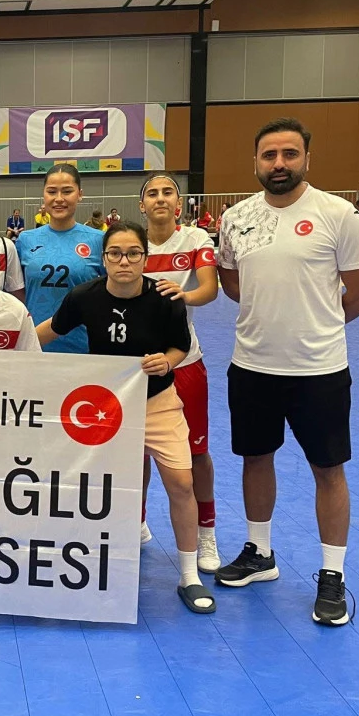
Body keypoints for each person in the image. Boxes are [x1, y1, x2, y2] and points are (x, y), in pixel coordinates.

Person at [215, 117, 359, 627]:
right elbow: (234, 285)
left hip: (320, 371)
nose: (279, 163)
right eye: (269, 155)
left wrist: (320, 325)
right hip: (253, 365)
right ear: (255, 161)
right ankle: (259, 552)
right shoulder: (236, 218)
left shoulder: (338, 214)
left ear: (307, 157)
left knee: (328, 470)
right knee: (254, 459)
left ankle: (332, 574)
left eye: (289, 154)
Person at [36, 223, 214, 615]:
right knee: (95, 488)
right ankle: (92, 563)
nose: (124, 261)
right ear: (103, 259)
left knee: (182, 482)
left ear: (145, 258)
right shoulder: (84, 296)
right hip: (106, 408)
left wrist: (166, 362)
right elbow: (46, 332)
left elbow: (180, 346)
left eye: (133, 253)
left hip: (157, 401)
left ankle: (189, 575)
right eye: (115, 253)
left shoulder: (167, 298)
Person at [140, 175, 222, 571]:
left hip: (183, 362)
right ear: (142, 205)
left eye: (167, 192)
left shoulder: (195, 240)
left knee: (196, 453)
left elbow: (210, 289)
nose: (159, 198)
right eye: (152, 193)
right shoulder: (130, 242)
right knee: (131, 453)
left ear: (179, 202)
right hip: (134, 368)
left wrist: (181, 296)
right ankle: (135, 524)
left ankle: (206, 535)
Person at [15, 164, 105, 354]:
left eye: (67, 191)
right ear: (44, 195)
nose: (59, 199)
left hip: (84, 348)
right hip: (34, 347)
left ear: (80, 194)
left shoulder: (98, 240)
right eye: (52, 191)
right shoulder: (25, 240)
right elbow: (16, 294)